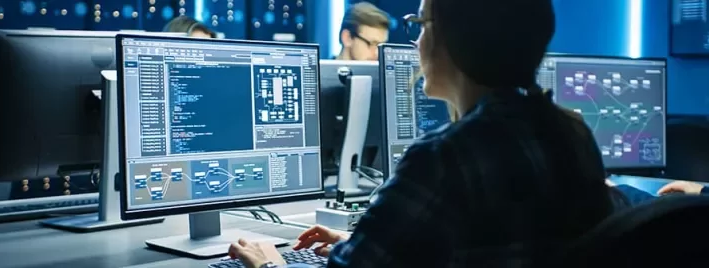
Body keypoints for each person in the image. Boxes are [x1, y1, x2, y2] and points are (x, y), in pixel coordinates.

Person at [228, 0, 616, 267]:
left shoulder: (444, 156)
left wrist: (268, 264)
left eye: (422, 24)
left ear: (456, 39)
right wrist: (360, 246)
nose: (416, 42)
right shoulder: (572, 134)